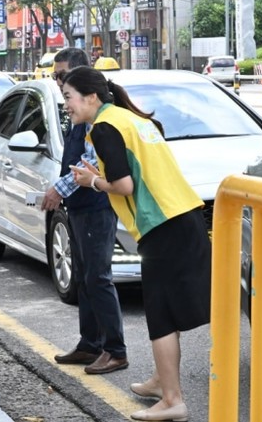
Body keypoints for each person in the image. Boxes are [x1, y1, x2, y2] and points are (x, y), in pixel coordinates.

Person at [63, 66, 210, 422]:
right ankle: (161, 381)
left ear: (91, 97)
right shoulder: (131, 119)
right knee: (167, 310)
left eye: (68, 97)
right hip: (183, 216)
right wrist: (99, 176)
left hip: (162, 225)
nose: (66, 104)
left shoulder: (104, 127)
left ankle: (173, 400)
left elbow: (124, 186)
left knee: (160, 316)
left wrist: (92, 182)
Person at [42, 49, 127, 375]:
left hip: (96, 206)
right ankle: (90, 343)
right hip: (80, 206)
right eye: (56, 77)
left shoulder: (99, 120)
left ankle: (115, 350)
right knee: (84, 277)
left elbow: (89, 164)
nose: (58, 83)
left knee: (97, 277)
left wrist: (58, 189)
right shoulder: (80, 113)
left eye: (63, 76)